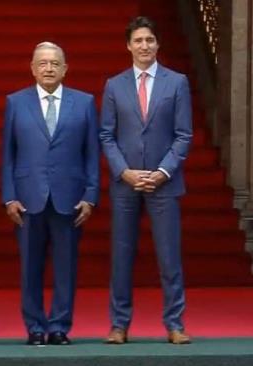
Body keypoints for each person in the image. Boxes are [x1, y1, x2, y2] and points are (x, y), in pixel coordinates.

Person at [99, 16, 193, 345]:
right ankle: (119, 325)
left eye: (149, 40)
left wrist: (163, 172)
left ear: (158, 44)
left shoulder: (176, 82)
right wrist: (124, 171)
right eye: (138, 40)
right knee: (121, 257)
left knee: (169, 257)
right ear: (128, 45)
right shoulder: (114, 85)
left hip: (163, 182)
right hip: (126, 183)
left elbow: (183, 135)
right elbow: (106, 135)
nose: (144, 46)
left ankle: (175, 324)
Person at [2, 42, 99, 346]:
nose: (48, 68)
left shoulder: (83, 102)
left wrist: (90, 195)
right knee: (30, 267)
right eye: (42, 63)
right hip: (27, 198)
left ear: (65, 69)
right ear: (32, 68)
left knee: (66, 267)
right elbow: (8, 154)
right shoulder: (16, 102)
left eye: (55, 63)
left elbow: (91, 154)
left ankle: (59, 326)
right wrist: (9, 196)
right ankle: (34, 327)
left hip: (69, 197)